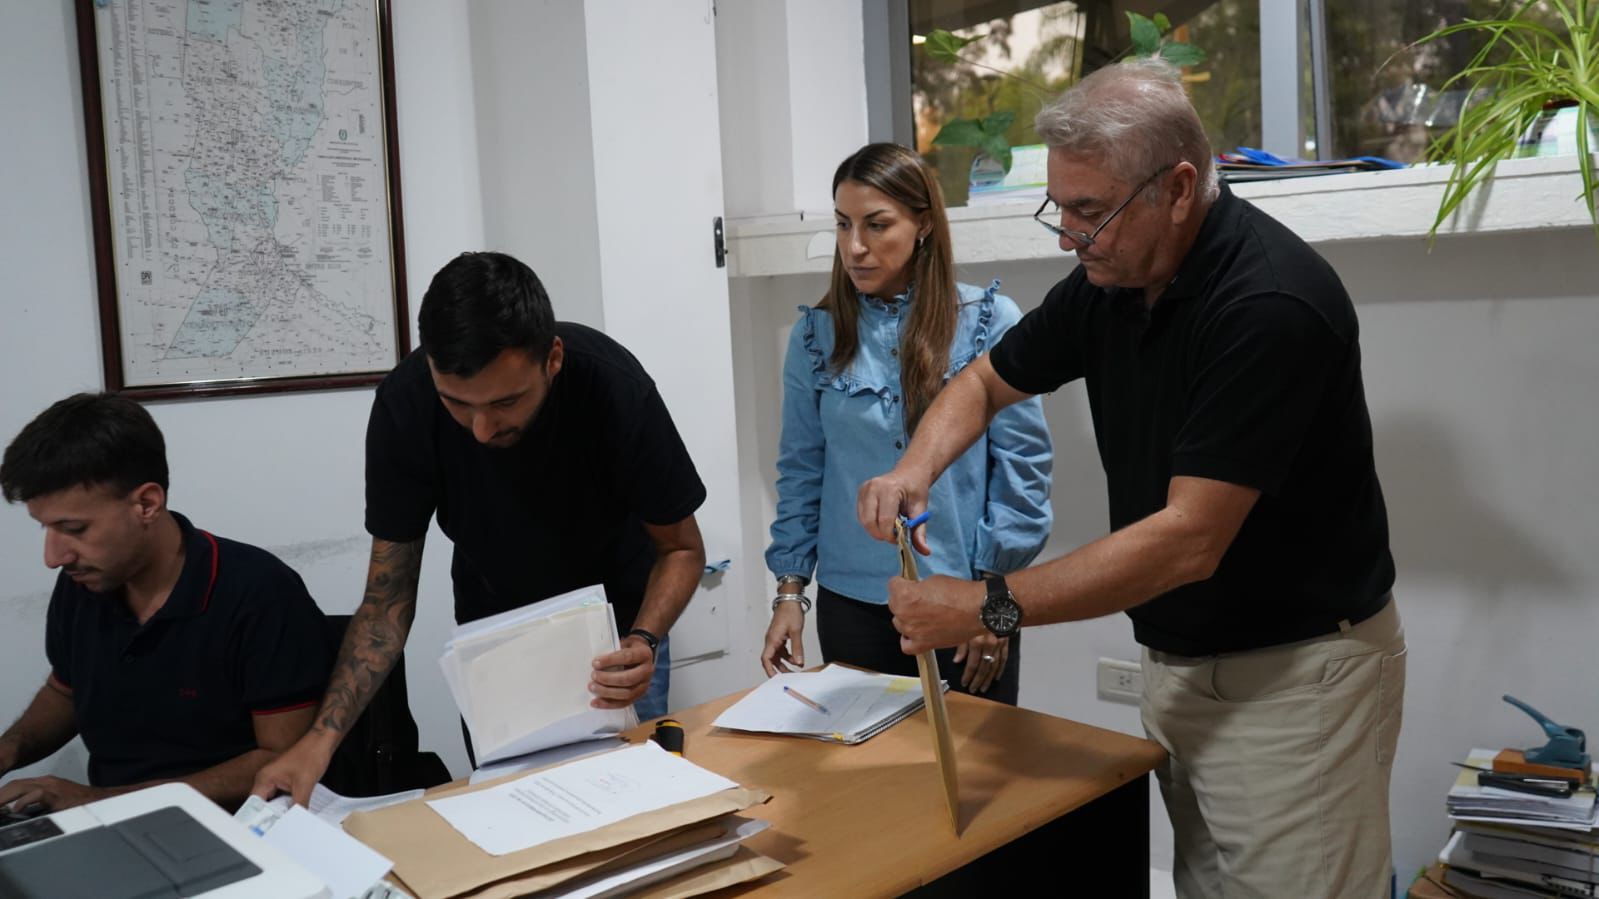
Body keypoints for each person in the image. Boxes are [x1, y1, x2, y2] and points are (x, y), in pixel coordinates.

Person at [857, 60, 1406, 898]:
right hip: (1180, 663)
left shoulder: (1268, 304)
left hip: (1295, 678)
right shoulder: (1113, 280)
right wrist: (912, 467)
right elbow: (983, 382)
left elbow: (1187, 541)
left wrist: (984, 605)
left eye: (1089, 211)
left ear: (1178, 189)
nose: (1068, 236)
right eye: (1059, 207)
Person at [255, 251, 707, 806]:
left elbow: (681, 549)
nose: (482, 429)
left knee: (630, 807)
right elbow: (386, 603)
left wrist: (645, 640)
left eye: (506, 402)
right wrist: (319, 742)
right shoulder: (405, 405)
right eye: (457, 404)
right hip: (495, 637)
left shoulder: (613, 386)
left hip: (618, 631)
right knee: (518, 809)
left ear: (553, 359)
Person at [762, 142, 1052, 705]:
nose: (855, 246)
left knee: (974, 757)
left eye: (876, 225)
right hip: (851, 608)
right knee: (864, 761)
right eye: (843, 225)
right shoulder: (816, 336)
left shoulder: (989, 321)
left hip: (964, 604)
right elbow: (801, 471)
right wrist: (790, 594)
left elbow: (1024, 471)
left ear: (923, 224)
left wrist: (992, 600)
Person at [0, 393, 331, 813]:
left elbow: (280, 760)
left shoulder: (259, 592)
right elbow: (64, 692)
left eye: (74, 529)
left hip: (234, 825)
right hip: (114, 820)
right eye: (45, 528)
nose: (53, 556)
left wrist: (99, 802)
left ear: (147, 504)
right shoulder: (83, 584)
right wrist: (8, 749)